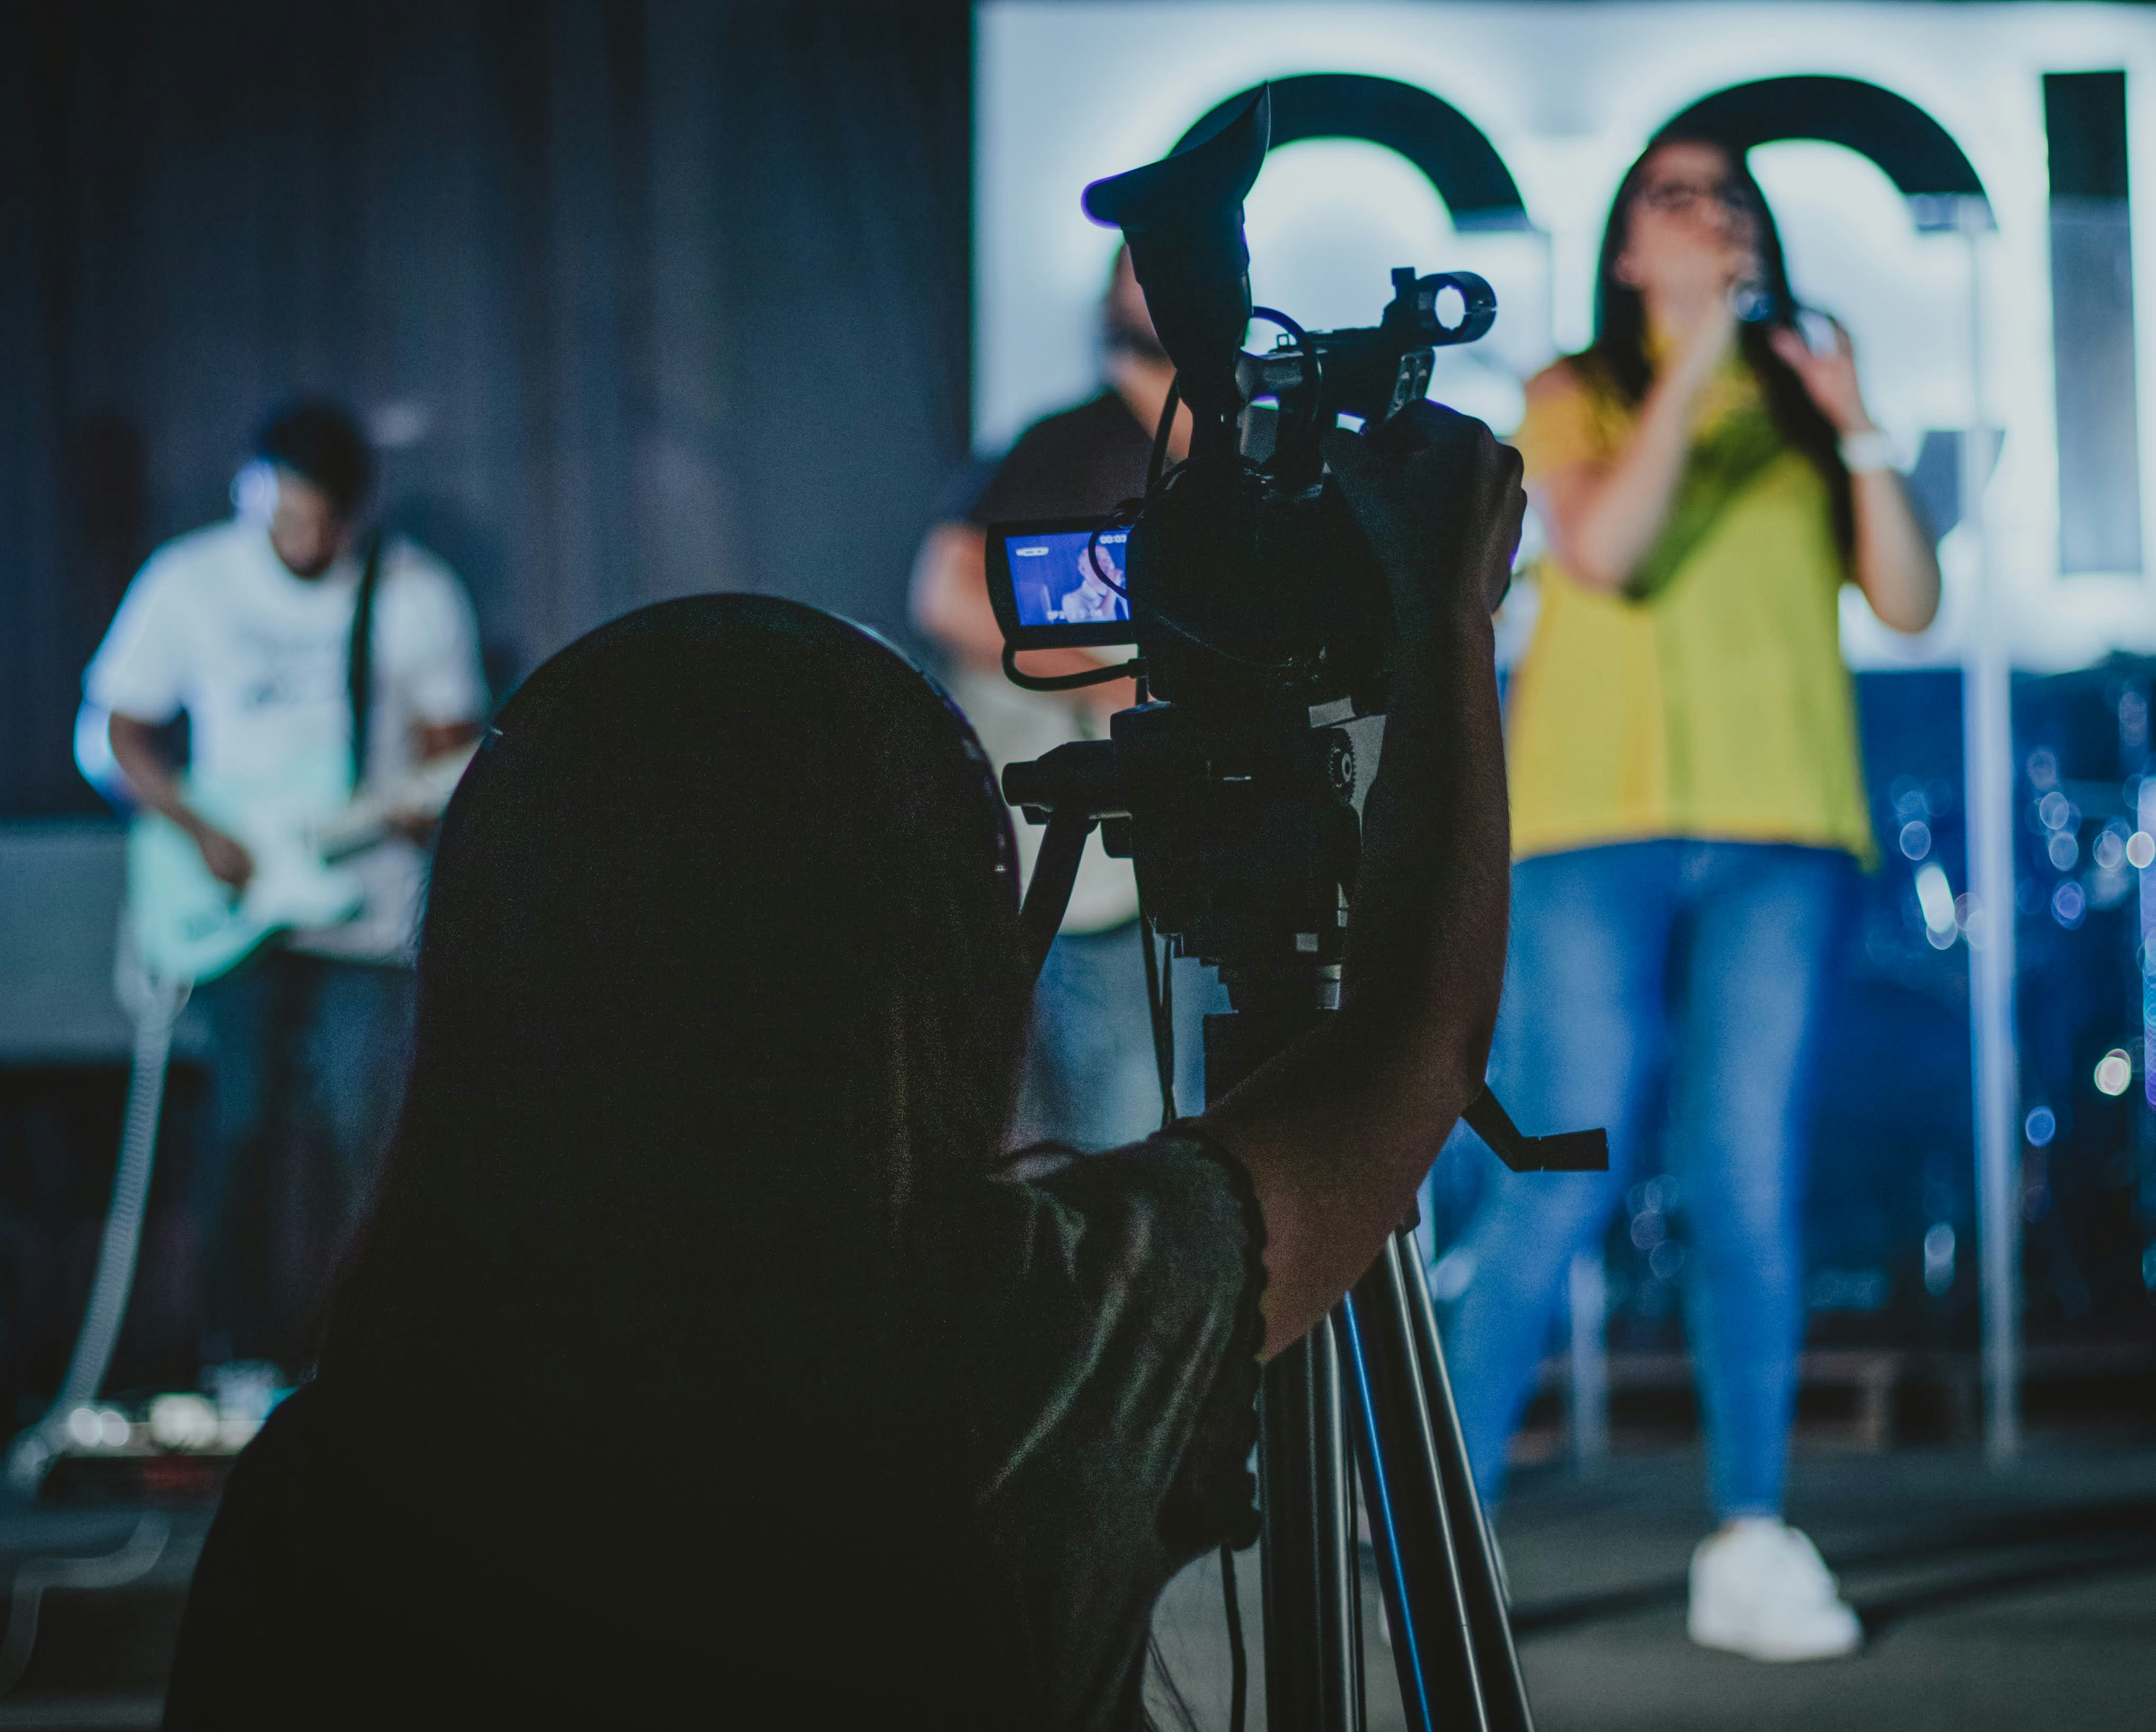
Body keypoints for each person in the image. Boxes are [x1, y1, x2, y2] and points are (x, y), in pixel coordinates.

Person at [160, 404, 1526, 1729]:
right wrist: (1440, 616)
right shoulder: (1028, 1334)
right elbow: (1415, 1038)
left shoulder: (328, 1482)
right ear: (926, 953)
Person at [1436, 130, 1940, 1663]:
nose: (1714, 213)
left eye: (1731, 196)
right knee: (1562, 1168)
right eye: (1677, 196)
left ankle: (1748, 1533)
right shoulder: (1568, 394)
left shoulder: (1799, 413)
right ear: (1625, 250)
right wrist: (1696, 354)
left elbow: (1911, 602)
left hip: (1782, 830)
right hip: (1598, 834)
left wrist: (1855, 432)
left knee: (1748, 1180)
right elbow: (1609, 547)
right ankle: (1436, 1520)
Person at [84, 399, 487, 1378]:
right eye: (284, 513)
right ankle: (240, 1361)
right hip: (235, 904)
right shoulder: (191, 583)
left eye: (319, 518)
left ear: (352, 512)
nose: (300, 536)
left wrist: (424, 805)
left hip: (370, 912)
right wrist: (198, 828)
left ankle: (371, 1363)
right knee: (242, 1128)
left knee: (369, 1134)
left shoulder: (413, 595)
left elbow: (452, 763)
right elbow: (116, 729)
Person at [911, 249, 1207, 1147]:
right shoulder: (1068, 445)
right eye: (1140, 265)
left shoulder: (1243, 459)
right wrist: (1116, 685)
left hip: (1209, 851)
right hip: (1107, 865)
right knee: (1123, 1122)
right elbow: (946, 592)